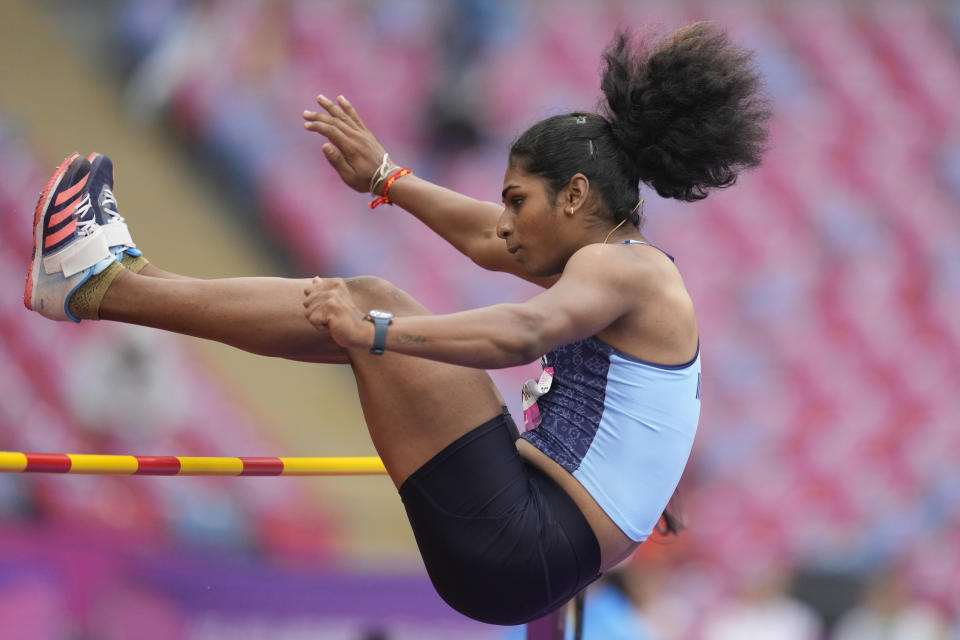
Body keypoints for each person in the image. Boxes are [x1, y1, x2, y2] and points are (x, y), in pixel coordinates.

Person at [23, 22, 769, 626]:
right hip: (536, 546)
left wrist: (375, 332)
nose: (506, 223)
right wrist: (388, 178)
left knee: (376, 299)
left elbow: (519, 334)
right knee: (370, 299)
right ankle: (118, 279)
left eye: (518, 200)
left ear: (574, 195)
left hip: (526, 540)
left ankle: (101, 283)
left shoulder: (623, 269)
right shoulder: (614, 260)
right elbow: (486, 240)